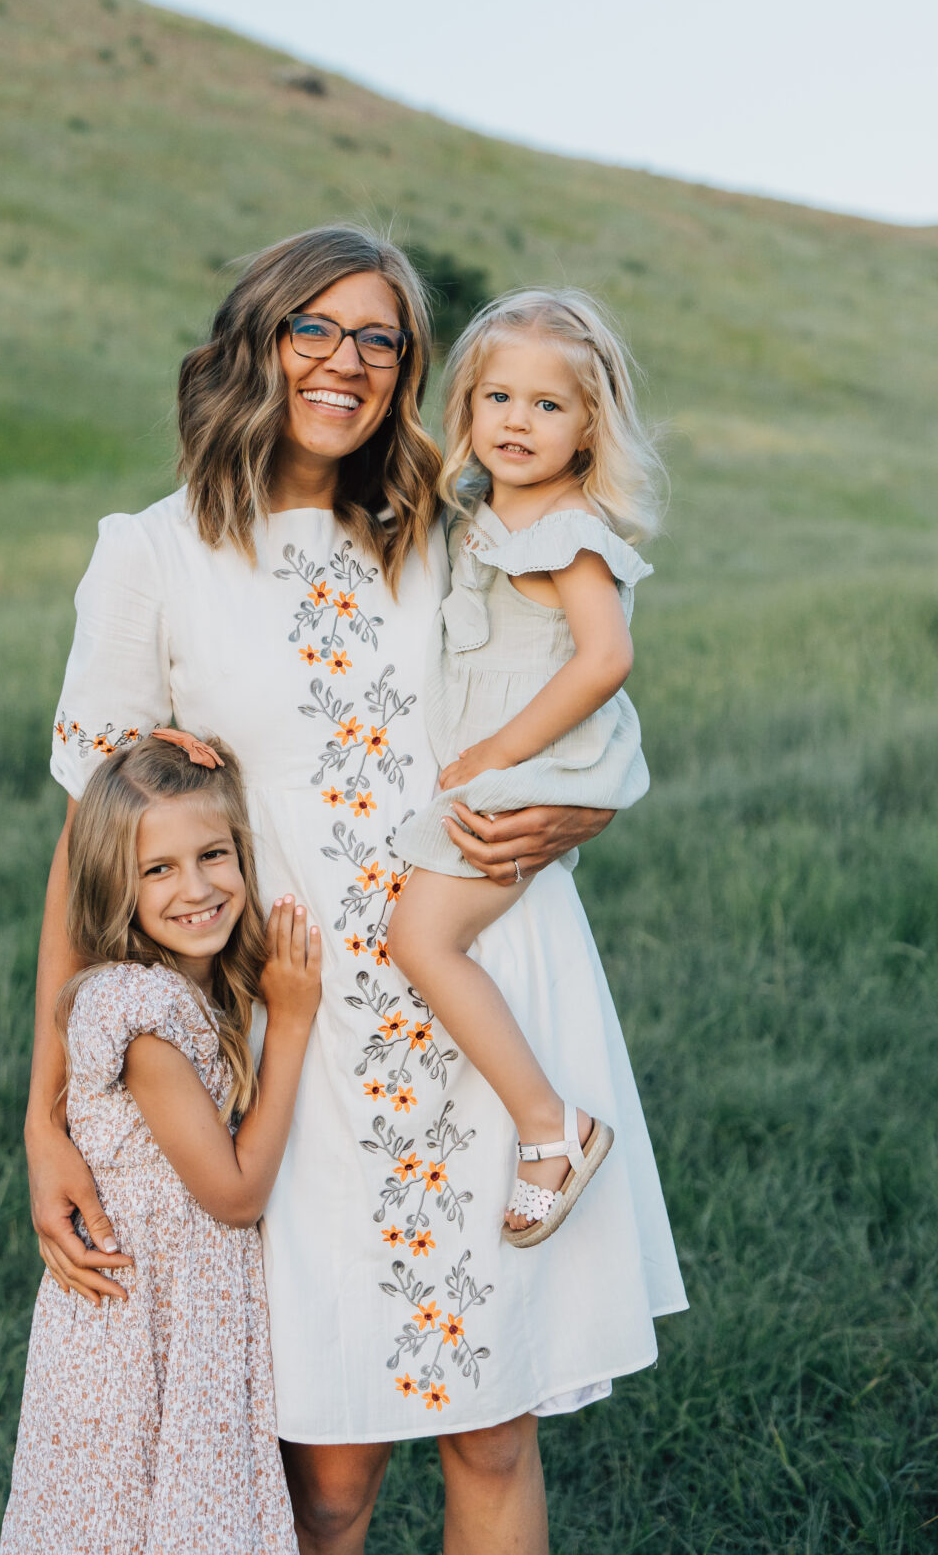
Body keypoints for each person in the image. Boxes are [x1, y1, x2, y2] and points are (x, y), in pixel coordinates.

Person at [24, 224, 687, 1555]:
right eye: (313, 328)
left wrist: (581, 809)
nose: (346, 360)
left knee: (491, 1433)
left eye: (380, 337)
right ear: (252, 343)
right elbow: (93, 862)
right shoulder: (152, 554)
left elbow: (578, 690)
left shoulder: (448, 532)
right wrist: (51, 1115)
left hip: (491, 996)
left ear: (408, 369)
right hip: (298, 1036)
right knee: (325, 1470)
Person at [388, 289, 662, 1249]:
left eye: (548, 406)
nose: (518, 421)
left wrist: (498, 753)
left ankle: (553, 1129)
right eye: (499, 397)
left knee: (421, 939)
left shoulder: (568, 536)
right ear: (466, 405)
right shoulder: (483, 520)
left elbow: (605, 658)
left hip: (526, 769)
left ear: (590, 428)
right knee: (431, 938)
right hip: (505, 759)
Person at [0, 730, 316, 1554]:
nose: (198, 888)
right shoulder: (142, 1019)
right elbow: (235, 1193)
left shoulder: (192, 991)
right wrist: (292, 1022)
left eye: (215, 855)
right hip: (139, 1336)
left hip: (177, 1322)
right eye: (159, 870)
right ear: (116, 884)